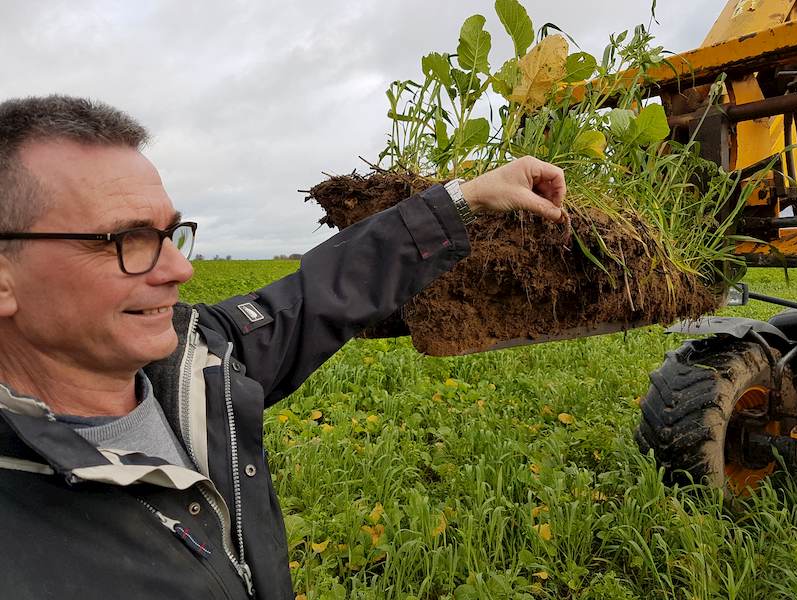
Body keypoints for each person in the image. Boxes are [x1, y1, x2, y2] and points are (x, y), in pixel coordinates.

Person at [0, 95, 566, 599]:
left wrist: (464, 198)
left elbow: (315, 295)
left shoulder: (195, 363)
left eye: (171, 234)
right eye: (127, 240)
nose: (181, 268)